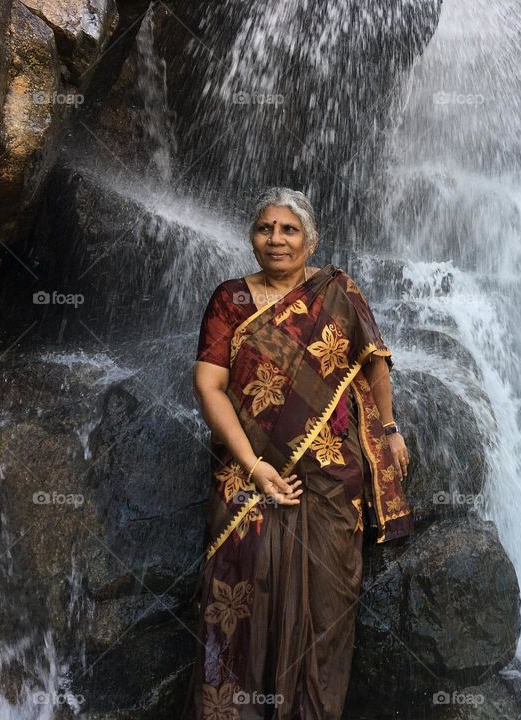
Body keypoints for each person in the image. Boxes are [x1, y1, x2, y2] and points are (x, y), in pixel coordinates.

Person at [181, 187, 414, 719]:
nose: (277, 239)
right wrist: (255, 465)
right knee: (243, 598)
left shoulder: (338, 291)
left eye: (289, 229)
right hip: (247, 475)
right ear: (252, 237)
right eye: (266, 228)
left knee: (326, 607)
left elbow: (373, 366)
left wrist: (391, 429)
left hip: (331, 477)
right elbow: (209, 386)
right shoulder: (230, 300)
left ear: (311, 239)